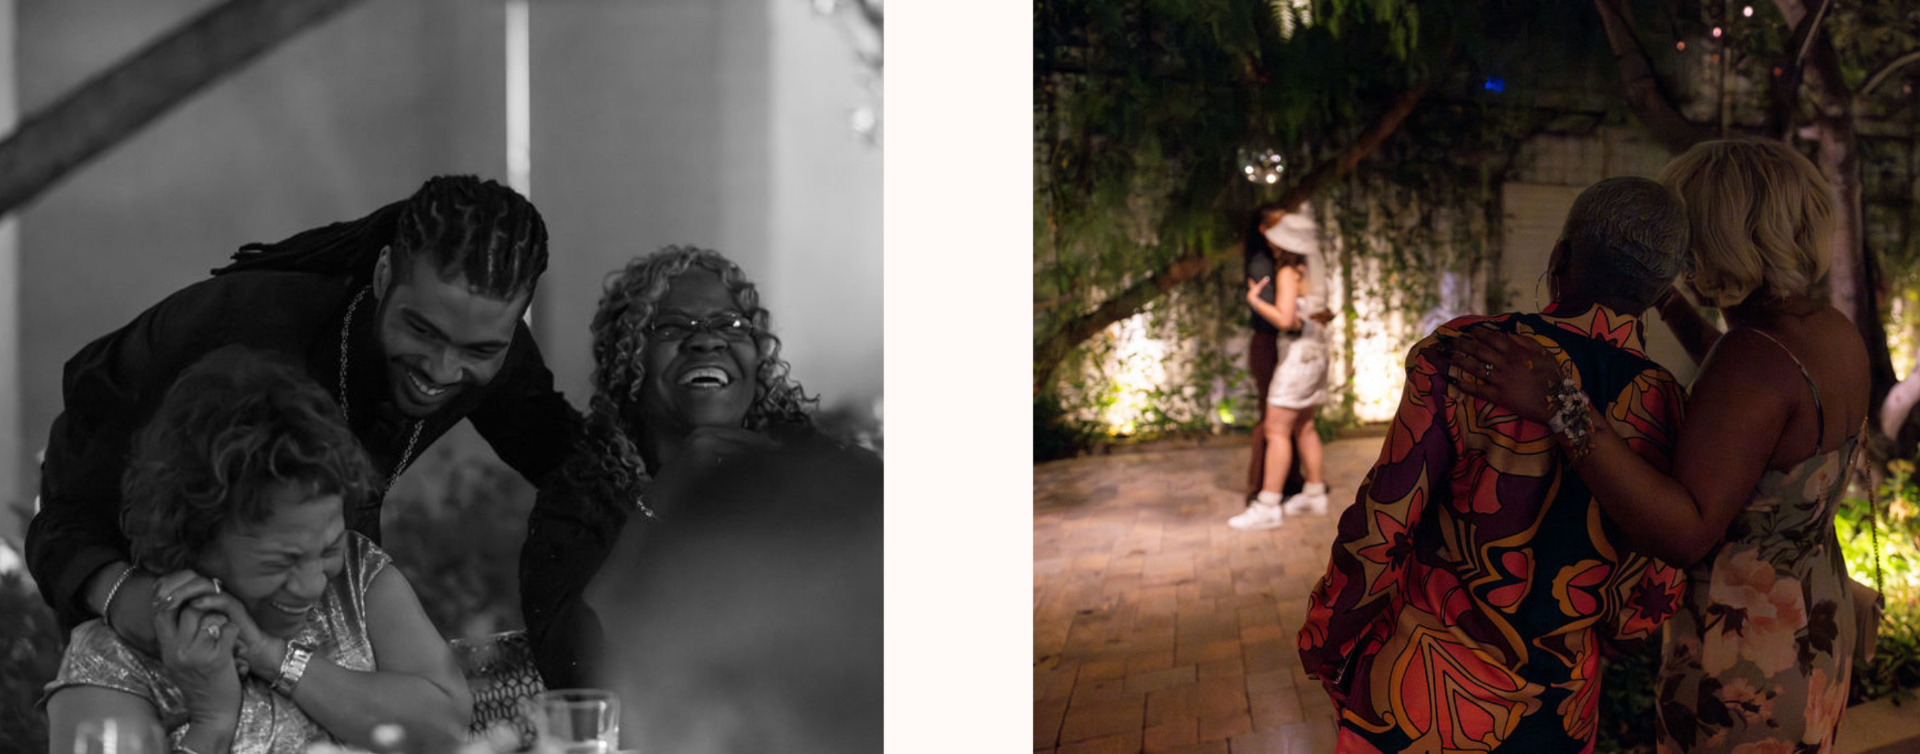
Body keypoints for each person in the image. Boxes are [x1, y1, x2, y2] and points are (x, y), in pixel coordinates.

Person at [27, 175, 580, 656]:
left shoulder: (500, 356)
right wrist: (124, 595)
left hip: (312, 644)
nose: (442, 368)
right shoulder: (235, 328)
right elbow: (68, 508)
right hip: (155, 626)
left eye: (479, 350)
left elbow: (579, 472)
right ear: (385, 274)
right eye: (422, 331)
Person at [1445, 140, 1870, 751]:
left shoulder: (1749, 360)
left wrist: (1561, 403)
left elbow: (1685, 530)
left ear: (1712, 237)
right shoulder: (1822, 329)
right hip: (1811, 619)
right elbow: (1760, 415)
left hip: (1743, 657)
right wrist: (1670, 302)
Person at [1297, 176, 1692, 752]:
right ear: (1658, 291)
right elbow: (1649, 597)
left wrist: (1328, 637)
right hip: (1558, 711)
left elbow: (1383, 521)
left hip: (1415, 694)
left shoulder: (1471, 351)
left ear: (1560, 258)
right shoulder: (1670, 406)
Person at [42, 348, 471, 754]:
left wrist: (273, 656)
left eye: (327, 549)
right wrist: (212, 723)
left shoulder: (358, 578)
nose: (310, 585)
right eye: (278, 562)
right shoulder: (110, 660)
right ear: (193, 541)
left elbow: (449, 727)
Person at [519, 245, 873, 690]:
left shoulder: (819, 474)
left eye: (729, 325)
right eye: (671, 327)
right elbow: (576, 677)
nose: (707, 340)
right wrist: (659, 504)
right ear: (629, 361)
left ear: (757, 356)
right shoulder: (581, 502)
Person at [1228, 209, 1334, 531]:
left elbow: (1286, 319)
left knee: (1276, 429)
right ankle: (1315, 493)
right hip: (1318, 353)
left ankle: (1268, 504)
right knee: (1305, 425)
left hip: (1298, 356)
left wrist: (1256, 301)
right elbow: (1326, 314)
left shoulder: (1288, 272)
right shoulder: (1311, 270)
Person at [1238, 206, 1310, 504]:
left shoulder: (1286, 264)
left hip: (1284, 343)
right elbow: (1282, 317)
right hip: (1271, 343)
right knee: (1272, 416)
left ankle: (1289, 482)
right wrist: (1292, 319)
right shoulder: (1264, 263)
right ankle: (1263, 486)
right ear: (1264, 230)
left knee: (1290, 418)